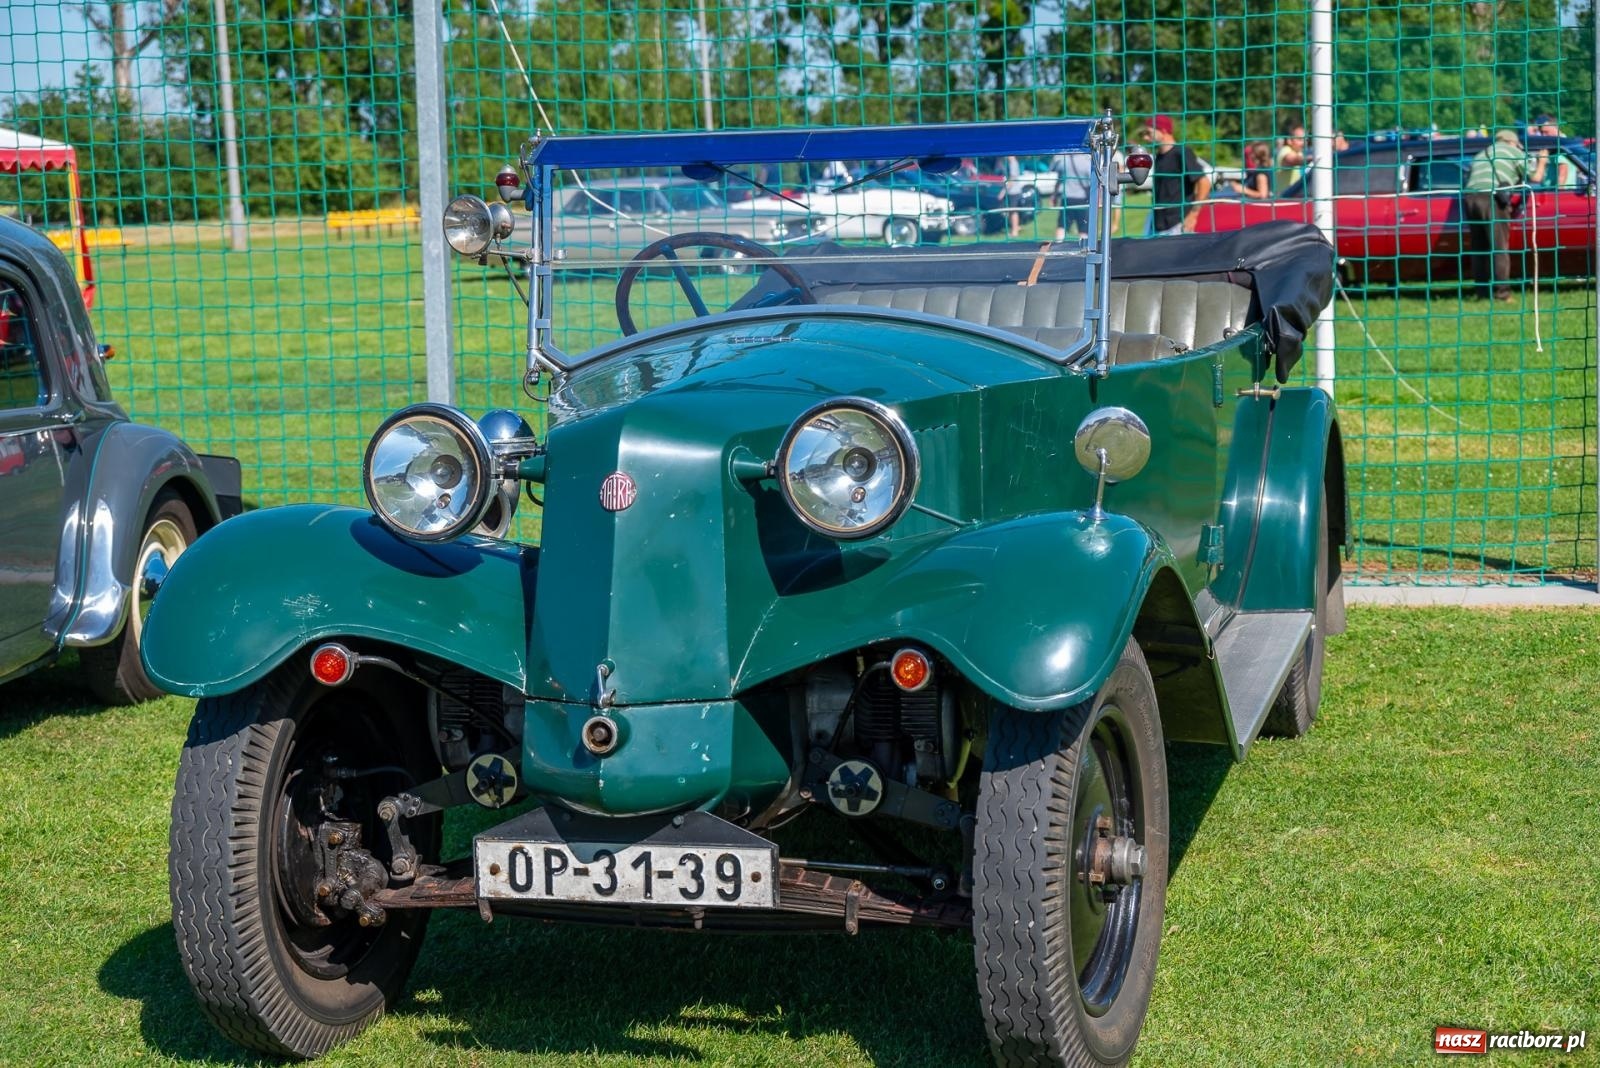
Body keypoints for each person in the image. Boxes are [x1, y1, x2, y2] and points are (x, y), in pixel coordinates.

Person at [1462, 128, 1547, 301]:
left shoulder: (1481, 154)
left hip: (1470, 198)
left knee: (1479, 249)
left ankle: (1482, 293)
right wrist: (1542, 161)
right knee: (1499, 248)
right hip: (1490, 199)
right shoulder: (1512, 151)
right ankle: (1502, 294)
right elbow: (1536, 177)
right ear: (1512, 142)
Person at [1142, 114, 1210, 235]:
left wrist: (1193, 215)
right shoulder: (1159, 156)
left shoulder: (1182, 153)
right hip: (1158, 224)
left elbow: (1204, 183)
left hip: (1177, 224)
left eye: (1149, 133)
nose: (1145, 138)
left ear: (1163, 131)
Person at [1275, 122, 1308, 194]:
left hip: (1295, 195)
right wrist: (1311, 159)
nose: (1304, 143)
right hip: (1284, 197)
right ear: (1289, 140)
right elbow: (1291, 160)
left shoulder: (1299, 152)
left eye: (1305, 139)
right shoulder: (1285, 150)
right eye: (1300, 139)